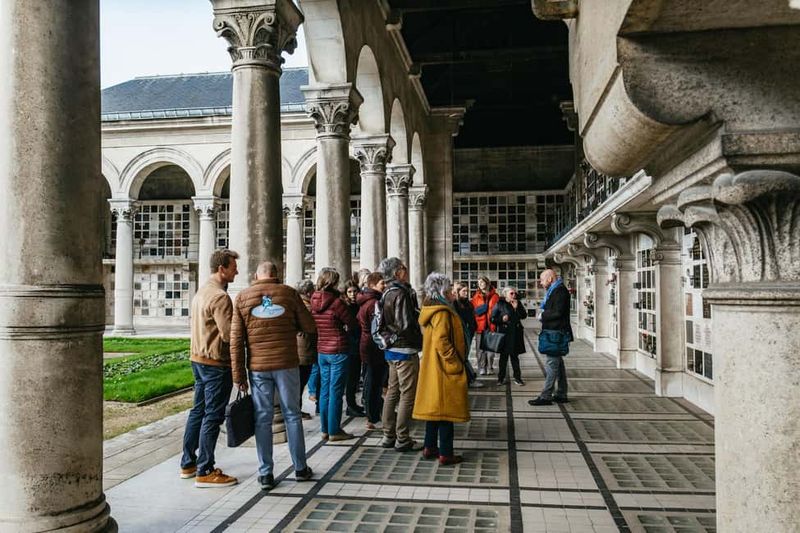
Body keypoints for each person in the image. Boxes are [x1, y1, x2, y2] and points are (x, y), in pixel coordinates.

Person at [230, 261, 317, 490]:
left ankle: (266, 473)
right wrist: (291, 325)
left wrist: (238, 375)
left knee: (262, 418)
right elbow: (309, 326)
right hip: (287, 364)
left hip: (258, 367)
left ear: (256, 276)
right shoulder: (289, 294)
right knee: (292, 415)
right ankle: (300, 468)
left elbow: (236, 340)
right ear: (277, 274)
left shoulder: (242, 297)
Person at [181, 249, 239, 488]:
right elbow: (228, 335)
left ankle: (188, 463)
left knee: (198, 411)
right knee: (213, 416)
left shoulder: (202, 291)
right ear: (221, 269)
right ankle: (205, 470)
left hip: (198, 359)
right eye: (233, 267)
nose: (236, 271)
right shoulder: (220, 297)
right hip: (215, 363)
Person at [414, 272, 470, 466]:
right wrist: (454, 362)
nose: (452, 292)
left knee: (435, 410)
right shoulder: (442, 312)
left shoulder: (433, 309)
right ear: (442, 291)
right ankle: (446, 453)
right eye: (449, 289)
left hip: (434, 366)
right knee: (446, 412)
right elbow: (441, 340)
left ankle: (429, 447)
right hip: (443, 367)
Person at [377, 257, 423, 452]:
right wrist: (419, 339)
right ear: (397, 273)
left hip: (391, 349)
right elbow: (405, 325)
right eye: (403, 267)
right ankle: (402, 438)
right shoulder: (401, 293)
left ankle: (388, 435)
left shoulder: (387, 292)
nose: (406, 269)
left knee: (392, 392)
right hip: (405, 349)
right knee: (407, 395)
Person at [311, 267, 359, 441]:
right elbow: (352, 323)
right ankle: (334, 430)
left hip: (322, 350)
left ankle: (324, 429)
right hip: (338, 349)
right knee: (336, 391)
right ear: (333, 282)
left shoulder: (314, 299)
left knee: (324, 390)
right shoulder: (336, 302)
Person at [530, 269, 573, 406]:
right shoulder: (555, 290)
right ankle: (561, 394)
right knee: (558, 364)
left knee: (551, 365)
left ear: (550, 279)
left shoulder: (560, 291)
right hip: (554, 332)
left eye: (542, 280)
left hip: (556, 333)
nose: (541, 283)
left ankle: (546, 396)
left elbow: (558, 312)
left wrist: (542, 315)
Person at [356, 272, 387, 429]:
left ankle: (373, 413)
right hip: (373, 345)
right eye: (382, 283)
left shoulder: (365, 300)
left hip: (366, 342)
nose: (384, 285)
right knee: (373, 381)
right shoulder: (374, 302)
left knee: (371, 379)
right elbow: (377, 327)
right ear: (373, 285)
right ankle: (372, 415)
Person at [491, 286, 528, 386]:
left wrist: (516, 308)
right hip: (504, 334)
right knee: (503, 358)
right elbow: (492, 319)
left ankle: (518, 378)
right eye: (511, 293)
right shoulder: (500, 304)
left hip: (515, 334)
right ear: (505, 294)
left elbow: (524, 316)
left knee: (515, 357)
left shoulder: (517, 303)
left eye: (515, 293)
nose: (514, 295)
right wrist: (501, 319)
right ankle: (500, 378)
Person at [343, 280, 366, 417]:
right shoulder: (346, 307)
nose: (352, 294)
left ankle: (353, 404)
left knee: (356, 376)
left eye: (354, 291)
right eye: (349, 292)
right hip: (350, 345)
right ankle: (350, 405)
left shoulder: (359, 305)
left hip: (358, 343)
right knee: (351, 378)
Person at [296, 279, 317, 420]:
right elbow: (311, 327)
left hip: (297, 349)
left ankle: (296, 410)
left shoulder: (295, 304)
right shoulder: (307, 307)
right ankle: (296, 411)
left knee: (297, 384)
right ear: (309, 292)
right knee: (300, 382)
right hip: (304, 349)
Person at [471, 276, 500, 375]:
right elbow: (473, 311)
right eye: (479, 283)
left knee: (491, 350)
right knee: (480, 350)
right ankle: (482, 367)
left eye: (482, 282)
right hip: (480, 326)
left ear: (487, 283)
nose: (480, 284)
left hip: (491, 326)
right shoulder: (476, 297)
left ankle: (490, 367)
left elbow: (499, 310)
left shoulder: (495, 296)